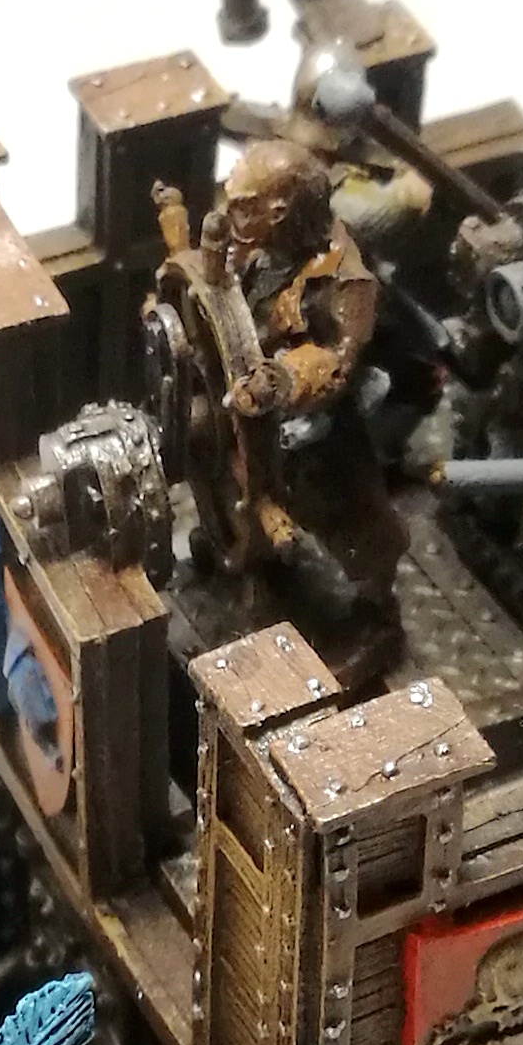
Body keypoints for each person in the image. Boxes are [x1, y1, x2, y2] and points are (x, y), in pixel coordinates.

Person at [168, 136, 407, 688]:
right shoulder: (253, 245)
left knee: (357, 524)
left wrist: (283, 379)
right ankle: (239, 555)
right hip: (242, 412)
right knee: (232, 482)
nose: (228, 215)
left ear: (279, 212)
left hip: (315, 430)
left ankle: (377, 619)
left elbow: (337, 360)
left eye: (243, 206)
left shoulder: (346, 281)